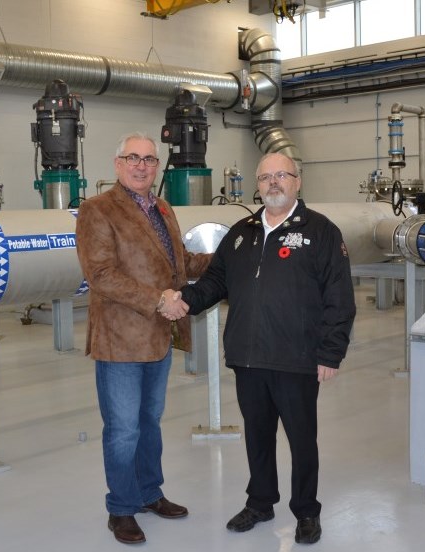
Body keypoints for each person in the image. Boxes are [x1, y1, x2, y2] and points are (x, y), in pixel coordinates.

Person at [176, 152, 356, 545]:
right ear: (256, 184)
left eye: (281, 176)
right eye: (265, 177)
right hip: (248, 355)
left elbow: (339, 296)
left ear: (297, 181)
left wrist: (330, 352)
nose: (273, 183)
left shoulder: (321, 231)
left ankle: (306, 511)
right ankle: (260, 502)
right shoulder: (240, 233)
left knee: (301, 439)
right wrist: (185, 300)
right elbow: (214, 282)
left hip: (297, 358)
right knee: (257, 435)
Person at [75, 132, 210, 545]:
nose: (142, 166)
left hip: (158, 336)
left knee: (149, 423)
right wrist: (159, 300)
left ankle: (150, 493)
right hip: (120, 339)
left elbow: (180, 264)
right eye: (133, 158)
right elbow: (100, 275)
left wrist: (232, 256)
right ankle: (121, 508)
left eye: (150, 160)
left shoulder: (163, 208)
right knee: (122, 430)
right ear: (118, 164)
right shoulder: (97, 210)